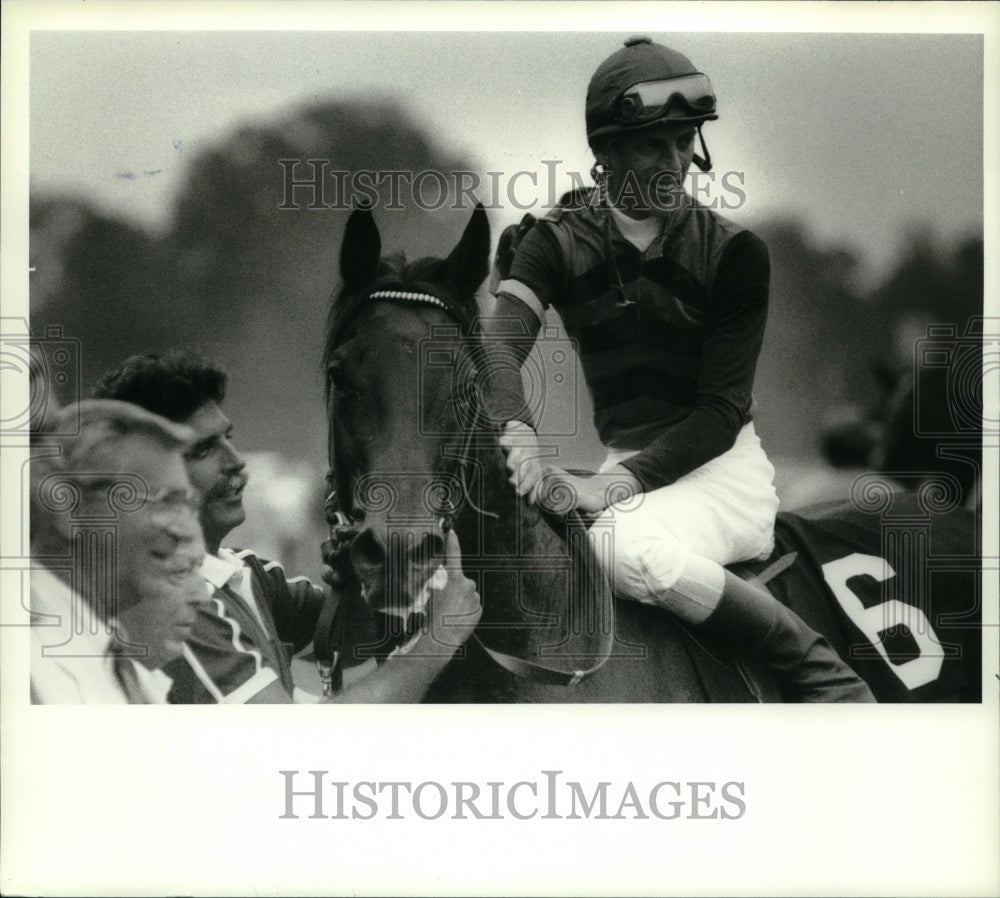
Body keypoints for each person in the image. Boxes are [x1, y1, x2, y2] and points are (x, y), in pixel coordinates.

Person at [483, 37, 873, 701]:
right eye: (650, 146)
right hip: (630, 473)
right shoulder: (553, 240)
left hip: (720, 476)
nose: (673, 163)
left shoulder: (735, 253)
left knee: (615, 552)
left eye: (683, 141)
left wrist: (605, 491)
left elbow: (719, 416)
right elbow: (495, 350)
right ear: (604, 154)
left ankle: (820, 671)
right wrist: (516, 431)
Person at [93, 351, 481, 703]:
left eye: (228, 438)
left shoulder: (249, 576)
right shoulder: (170, 600)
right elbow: (292, 743)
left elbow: (354, 634)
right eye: (204, 450)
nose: (236, 461)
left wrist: (362, 575)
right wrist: (438, 642)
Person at [29, 399, 206, 703]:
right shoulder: (25, 663)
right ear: (68, 508)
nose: (187, 531)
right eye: (165, 501)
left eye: (187, 504)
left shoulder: (113, 654)